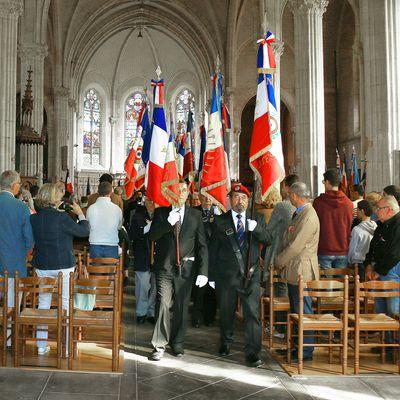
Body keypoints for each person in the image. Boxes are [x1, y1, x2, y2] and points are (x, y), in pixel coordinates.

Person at [209, 182, 268, 367]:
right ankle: (226, 341)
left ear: (248, 200)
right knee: (226, 312)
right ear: (230, 200)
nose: (239, 201)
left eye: (243, 197)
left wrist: (256, 228)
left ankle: (253, 352)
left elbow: (269, 239)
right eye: (235, 197)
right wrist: (211, 276)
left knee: (252, 314)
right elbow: (213, 250)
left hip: (251, 276)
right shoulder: (220, 221)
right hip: (227, 275)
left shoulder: (256, 218)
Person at [148, 182, 208, 361]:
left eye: (183, 190)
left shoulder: (196, 215)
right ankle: (159, 344)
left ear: (188, 193)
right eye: (177, 190)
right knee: (163, 304)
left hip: (186, 269)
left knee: (182, 306)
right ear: (171, 194)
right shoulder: (161, 213)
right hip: (164, 267)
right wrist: (168, 223)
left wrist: (203, 271)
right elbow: (152, 236)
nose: (180, 193)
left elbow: (202, 245)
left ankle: (178, 342)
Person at [30, 183, 90, 355]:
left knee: (43, 303)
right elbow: (83, 231)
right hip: (63, 264)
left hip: (42, 264)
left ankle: (41, 345)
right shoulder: (62, 218)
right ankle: (65, 346)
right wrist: (80, 214)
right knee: (65, 303)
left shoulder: (34, 218)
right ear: (56, 199)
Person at [275, 182, 320, 362]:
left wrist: (278, 261)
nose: (288, 197)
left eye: (289, 194)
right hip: (296, 270)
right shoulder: (301, 213)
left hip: (303, 270)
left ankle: (306, 350)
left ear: (294, 195)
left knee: (303, 311)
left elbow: (296, 246)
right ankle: (296, 347)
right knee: (296, 311)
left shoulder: (308, 216)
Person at [261, 174, 299, 338]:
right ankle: (286, 326)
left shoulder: (282, 207)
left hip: (279, 251)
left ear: (287, 187)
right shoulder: (303, 207)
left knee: (279, 289)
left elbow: (268, 231)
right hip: (293, 254)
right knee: (287, 289)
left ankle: (281, 327)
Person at [0, 170, 34, 342]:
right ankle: (8, 338)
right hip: (14, 263)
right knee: (12, 302)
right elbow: (29, 238)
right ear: (14, 186)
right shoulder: (21, 207)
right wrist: (26, 252)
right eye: (19, 183)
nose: (20, 186)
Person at [364, 195, 400, 348]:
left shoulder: (398, 225)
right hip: (378, 270)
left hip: (391, 271)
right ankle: (385, 344)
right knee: (380, 309)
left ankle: (394, 346)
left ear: (389, 210)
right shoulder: (381, 224)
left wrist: (378, 271)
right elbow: (373, 246)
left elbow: (394, 253)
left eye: (379, 208)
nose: (376, 211)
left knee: (392, 309)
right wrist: (368, 265)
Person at [313, 169, 353, 269]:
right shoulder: (348, 203)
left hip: (324, 248)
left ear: (327, 182)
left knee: (325, 284)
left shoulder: (318, 202)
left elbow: (314, 225)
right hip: (342, 248)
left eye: (323, 182)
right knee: (342, 284)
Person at [191, 193, 220, 328]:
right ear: (200, 198)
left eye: (210, 197)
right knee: (199, 289)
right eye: (205, 196)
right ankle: (196, 317)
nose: (208, 199)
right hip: (199, 255)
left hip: (214, 255)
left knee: (211, 289)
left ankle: (209, 317)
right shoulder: (194, 212)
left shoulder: (219, 212)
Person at [129, 197, 157, 324]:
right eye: (149, 201)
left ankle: (151, 311)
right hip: (142, 256)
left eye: (154, 201)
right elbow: (133, 235)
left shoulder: (161, 215)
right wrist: (147, 227)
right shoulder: (138, 216)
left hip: (158, 257)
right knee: (143, 287)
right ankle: (141, 312)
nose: (152, 204)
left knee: (155, 287)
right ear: (145, 202)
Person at [86, 181, 123, 258]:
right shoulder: (117, 209)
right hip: (111, 243)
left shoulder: (91, 208)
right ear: (111, 192)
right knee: (110, 269)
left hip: (95, 243)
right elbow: (119, 226)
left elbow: (88, 226)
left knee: (96, 269)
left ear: (98, 192)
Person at [348, 200, 377, 267]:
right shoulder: (375, 226)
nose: (356, 212)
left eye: (357, 210)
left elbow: (352, 249)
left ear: (362, 211)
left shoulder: (356, 230)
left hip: (358, 263)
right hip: (371, 263)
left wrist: (350, 261)